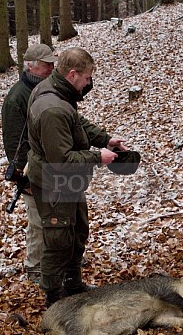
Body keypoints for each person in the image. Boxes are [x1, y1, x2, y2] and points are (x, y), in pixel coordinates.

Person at [27, 47, 126, 307]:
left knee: (78, 231)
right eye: (87, 78)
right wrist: (98, 157)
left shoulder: (59, 93)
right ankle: (54, 297)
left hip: (68, 182)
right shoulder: (52, 108)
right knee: (58, 239)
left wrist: (105, 139)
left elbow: (76, 123)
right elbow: (61, 160)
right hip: (54, 182)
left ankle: (73, 284)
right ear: (72, 74)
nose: (89, 83)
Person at [2, 43, 57, 283]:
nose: (51, 68)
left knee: (57, 215)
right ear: (32, 66)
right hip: (32, 170)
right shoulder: (16, 98)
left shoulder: (48, 89)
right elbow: (14, 143)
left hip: (53, 165)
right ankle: (34, 266)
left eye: (52, 64)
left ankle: (57, 257)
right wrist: (25, 178)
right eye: (47, 65)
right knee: (37, 221)